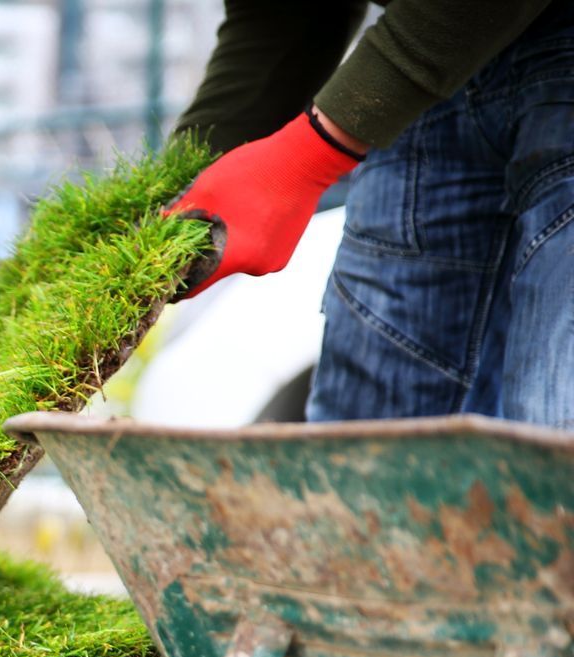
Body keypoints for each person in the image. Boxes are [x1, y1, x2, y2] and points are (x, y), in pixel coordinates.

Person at [166, 0, 574, 427]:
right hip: (428, 57)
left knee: (554, 425)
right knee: (361, 432)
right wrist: (176, 194)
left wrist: (310, 156)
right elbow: (281, 17)